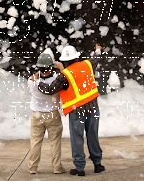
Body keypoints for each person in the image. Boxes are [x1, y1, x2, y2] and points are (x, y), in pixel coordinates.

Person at [38, 44, 105, 177]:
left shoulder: (64, 75)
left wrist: (38, 83)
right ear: (76, 57)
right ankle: (97, 164)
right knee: (93, 135)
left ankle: (80, 168)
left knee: (77, 139)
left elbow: (50, 89)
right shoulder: (87, 64)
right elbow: (96, 58)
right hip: (93, 108)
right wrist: (97, 49)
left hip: (76, 112)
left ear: (64, 61)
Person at [27, 52, 65, 175]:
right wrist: (61, 69)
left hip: (37, 115)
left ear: (38, 67)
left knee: (36, 142)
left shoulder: (31, 80)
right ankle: (57, 167)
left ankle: (33, 167)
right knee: (55, 143)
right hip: (53, 115)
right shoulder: (56, 80)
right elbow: (63, 81)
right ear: (51, 67)